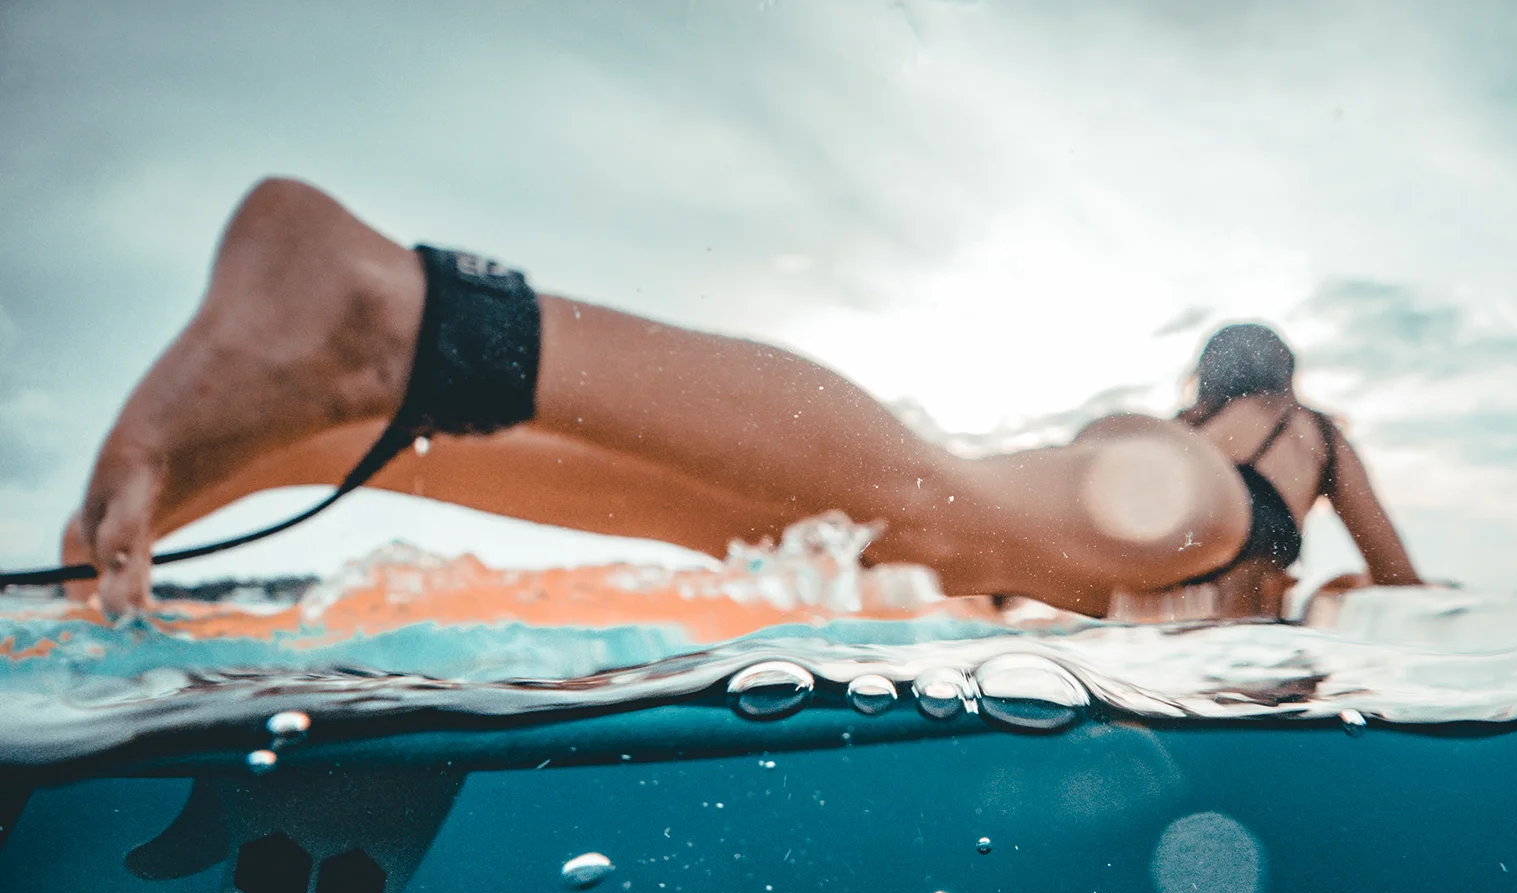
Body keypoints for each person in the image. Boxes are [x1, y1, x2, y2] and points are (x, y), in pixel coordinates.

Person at [59, 178, 1419, 620]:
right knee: (919, 496)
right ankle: (402, 314)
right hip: (1178, 510)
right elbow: (1401, 582)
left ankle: (298, 437)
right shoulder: (1307, 436)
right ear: (1280, 386)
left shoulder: (1171, 426)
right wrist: (1351, 595)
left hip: (1110, 476)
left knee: (816, 521)